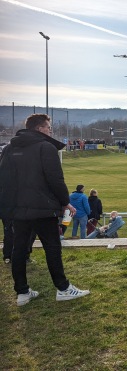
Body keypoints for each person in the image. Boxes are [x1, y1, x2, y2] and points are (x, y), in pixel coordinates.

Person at [0, 113, 89, 306]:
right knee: (52, 248)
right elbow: (55, 180)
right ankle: (63, 288)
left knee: (19, 249)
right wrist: (65, 202)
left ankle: (22, 292)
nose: (50, 131)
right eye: (48, 128)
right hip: (43, 208)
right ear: (40, 128)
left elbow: (4, 181)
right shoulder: (45, 148)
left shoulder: (9, 149)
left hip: (18, 209)